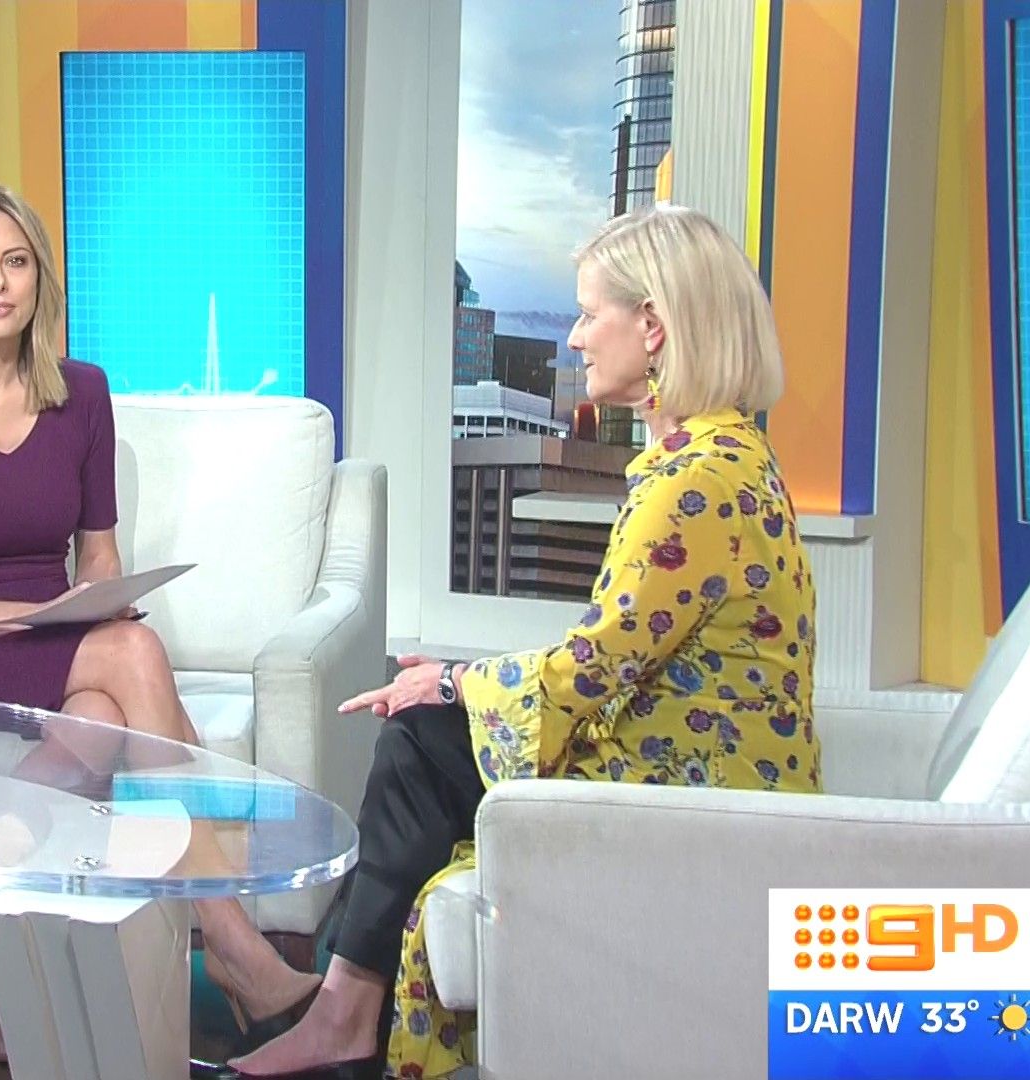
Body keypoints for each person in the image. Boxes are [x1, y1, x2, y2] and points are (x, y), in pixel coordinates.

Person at [222, 205, 822, 1079]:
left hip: (691, 795)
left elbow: (594, 667)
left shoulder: (695, 484)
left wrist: (452, 682)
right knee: (422, 740)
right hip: (690, 765)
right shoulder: (727, 456)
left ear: (653, 326)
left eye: (588, 314)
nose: (574, 337)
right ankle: (344, 1016)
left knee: (418, 737)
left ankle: (343, 1018)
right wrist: (454, 684)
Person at [0, 184, 321, 1061]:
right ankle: (232, 944)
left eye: (15, 262)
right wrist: (11, 620)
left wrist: (100, 600)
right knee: (133, 658)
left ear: (40, 278)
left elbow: (96, 553)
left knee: (111, 698)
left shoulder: (82, 393)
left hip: (56, 640)